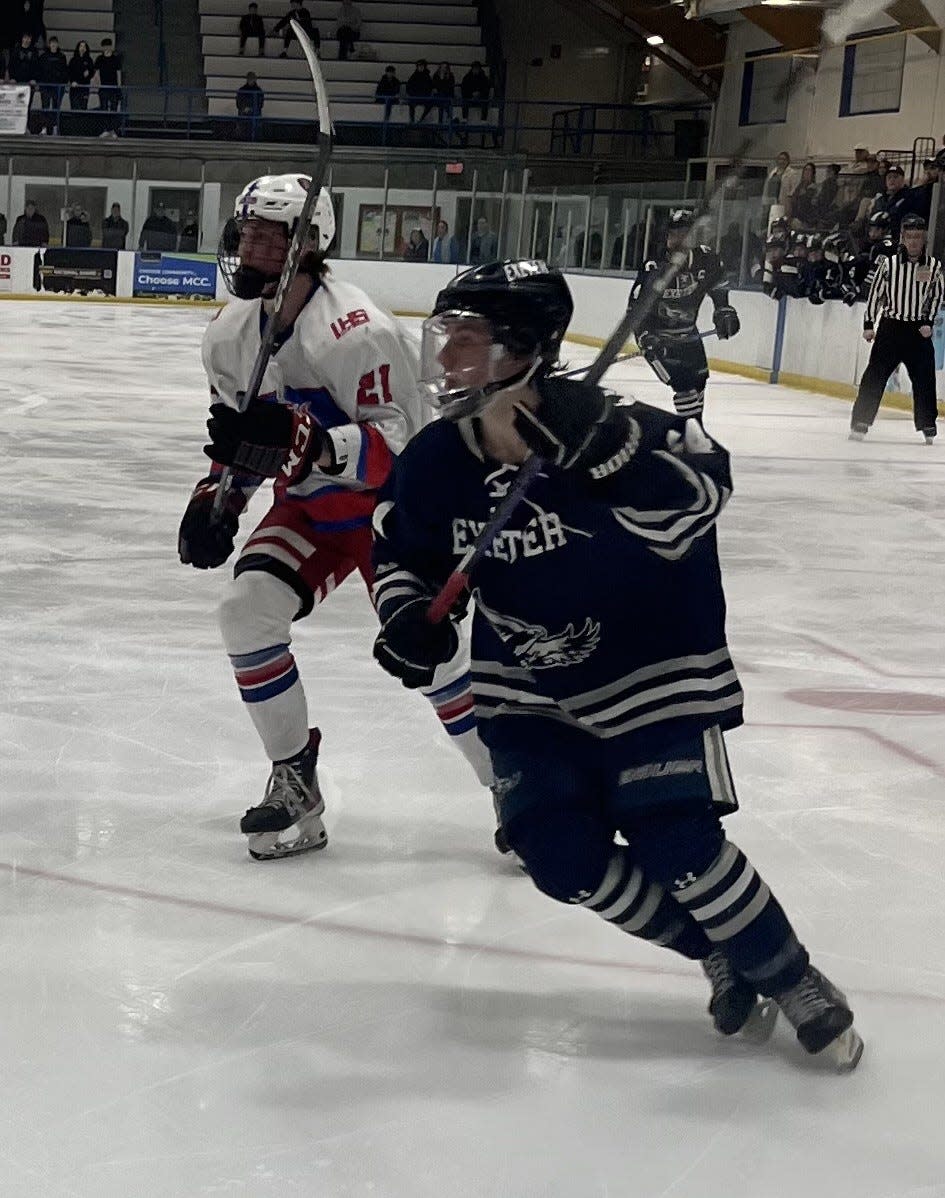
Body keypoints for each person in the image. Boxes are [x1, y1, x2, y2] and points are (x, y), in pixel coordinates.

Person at [368, 259, 864, 1070]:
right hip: (526, 683)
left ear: (524, 350)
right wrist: (404, 619)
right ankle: (715, 950)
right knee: (554, 853)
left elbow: (698, 505)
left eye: (468, 339)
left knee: (678, 843)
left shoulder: (614, 424)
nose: (446, 357)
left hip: (652, 670)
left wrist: (611, 459)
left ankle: (790, 975)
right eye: (442, 336)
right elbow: (403, 553)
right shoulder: (436, 458)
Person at [177, 173, 491, 861]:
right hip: (314, 510)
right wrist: (218, 496)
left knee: (432, 659)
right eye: (248, 231)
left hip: (394, 515)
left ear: (309, 244)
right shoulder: (229, 333)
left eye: (272, 233)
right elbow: (245, 439)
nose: (253, 245)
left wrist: (312, 441)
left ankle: (516, 790)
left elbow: (405, 448)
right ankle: (295, 777)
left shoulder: (357, 331)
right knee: (245, 610)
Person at [629, 208, 739, 420]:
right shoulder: (655, 267)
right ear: (667, 236)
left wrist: (723, 310)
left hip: (689, 335)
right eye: (674, 233)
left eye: (685, 233)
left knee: (698, 385)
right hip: (659, 339)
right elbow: (634, 309)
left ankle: (693, 433)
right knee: (684, 388)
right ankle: (691, 433)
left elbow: (718, 286)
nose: (679, 238)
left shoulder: (706, 259)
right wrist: (645, 338)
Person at [850, 214, 943, 445]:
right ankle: (861, 421)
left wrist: (928, 322)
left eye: (918, 237)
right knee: (874, 376)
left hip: (917, 330)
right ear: (902, 238)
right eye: (909, 237)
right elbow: (876, 295)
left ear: (924, 240)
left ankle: (927, 424)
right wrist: (869, 324)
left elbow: (936, 296)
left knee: (924, 379)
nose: (913, 242)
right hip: (891, 328)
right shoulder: (888, 265)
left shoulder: (933, 266)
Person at [870, 165, 912, 239]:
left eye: (895, 177)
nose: (892, 180)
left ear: (902, 179)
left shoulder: (909, 197)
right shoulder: (881, 199)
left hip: (896, 237)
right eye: (889, 177)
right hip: (876, 236)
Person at [37, 33, 67, 133]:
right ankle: (44, 128)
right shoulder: (43, 57)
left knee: (56, 107)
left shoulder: (62, 57)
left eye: (55, 43)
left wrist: (63, 82)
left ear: (57, 45)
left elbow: (64, 71)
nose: (53, 45)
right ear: (49, 45)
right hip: (45, 86)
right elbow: (40, 70)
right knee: (45, 107)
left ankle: (54, 127)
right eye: (52, 43)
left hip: (58, 86)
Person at [93, 37, 121, 118]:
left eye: (108, 46)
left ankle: (112, 128)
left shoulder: (116, 59)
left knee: (114, 109)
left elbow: (118, 73)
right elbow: (97, 73)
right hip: (103, 88)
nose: (107, 48)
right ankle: (104, 128)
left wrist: (119, 87)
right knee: (103, 108)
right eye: (105, 46)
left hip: (114, 88)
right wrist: (98, 85)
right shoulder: (99, 59)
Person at [68, 40, 94, 110]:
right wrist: (72, 81)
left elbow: (92, 72)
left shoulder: (89, 60)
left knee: (83, 108)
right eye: (81, 46)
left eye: (84, 46)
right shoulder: (73, 60)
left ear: (86, 48)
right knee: (74, 108)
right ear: (78, 48)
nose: (82, 48)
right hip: (74, 88)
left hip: (84, 88)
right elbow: (69, 72)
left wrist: (88, 74)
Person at [406, 59, 433, 123]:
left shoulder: (427, 76)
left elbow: (430, 87)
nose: (420, 67)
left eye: (422, 66)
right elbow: (409, 86)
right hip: (415, 96)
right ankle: (412, 121)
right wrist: (412, 94)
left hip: (424, 97)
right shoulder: (414, 75)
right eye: (419, 66)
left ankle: (421, 119)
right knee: (411, 104)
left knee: (430, 104)